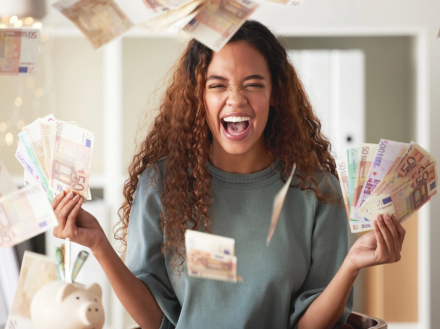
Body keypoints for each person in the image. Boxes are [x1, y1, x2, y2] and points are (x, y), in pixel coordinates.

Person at [51, 20, 406, 329]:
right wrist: (98, 243)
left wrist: (351, 266)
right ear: (198, 97)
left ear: (276, 94)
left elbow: (310, 325)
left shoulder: (317, 191)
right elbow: (155, 321)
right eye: (217, 85)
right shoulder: (161, 185)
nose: (236, 100)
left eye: (253, 84)